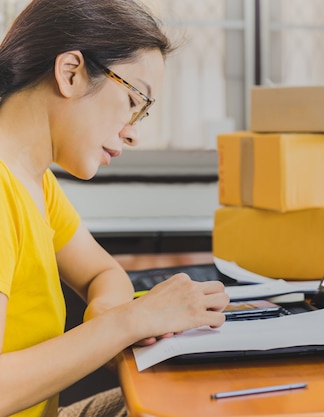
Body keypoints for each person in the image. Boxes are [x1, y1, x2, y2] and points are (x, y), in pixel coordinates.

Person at [0, 1, 230, 416]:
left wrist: (108, 311)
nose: (134, 133)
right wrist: (129, 322)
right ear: (70, 73)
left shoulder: (35, 181)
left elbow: (102, 272)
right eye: (133, 100)